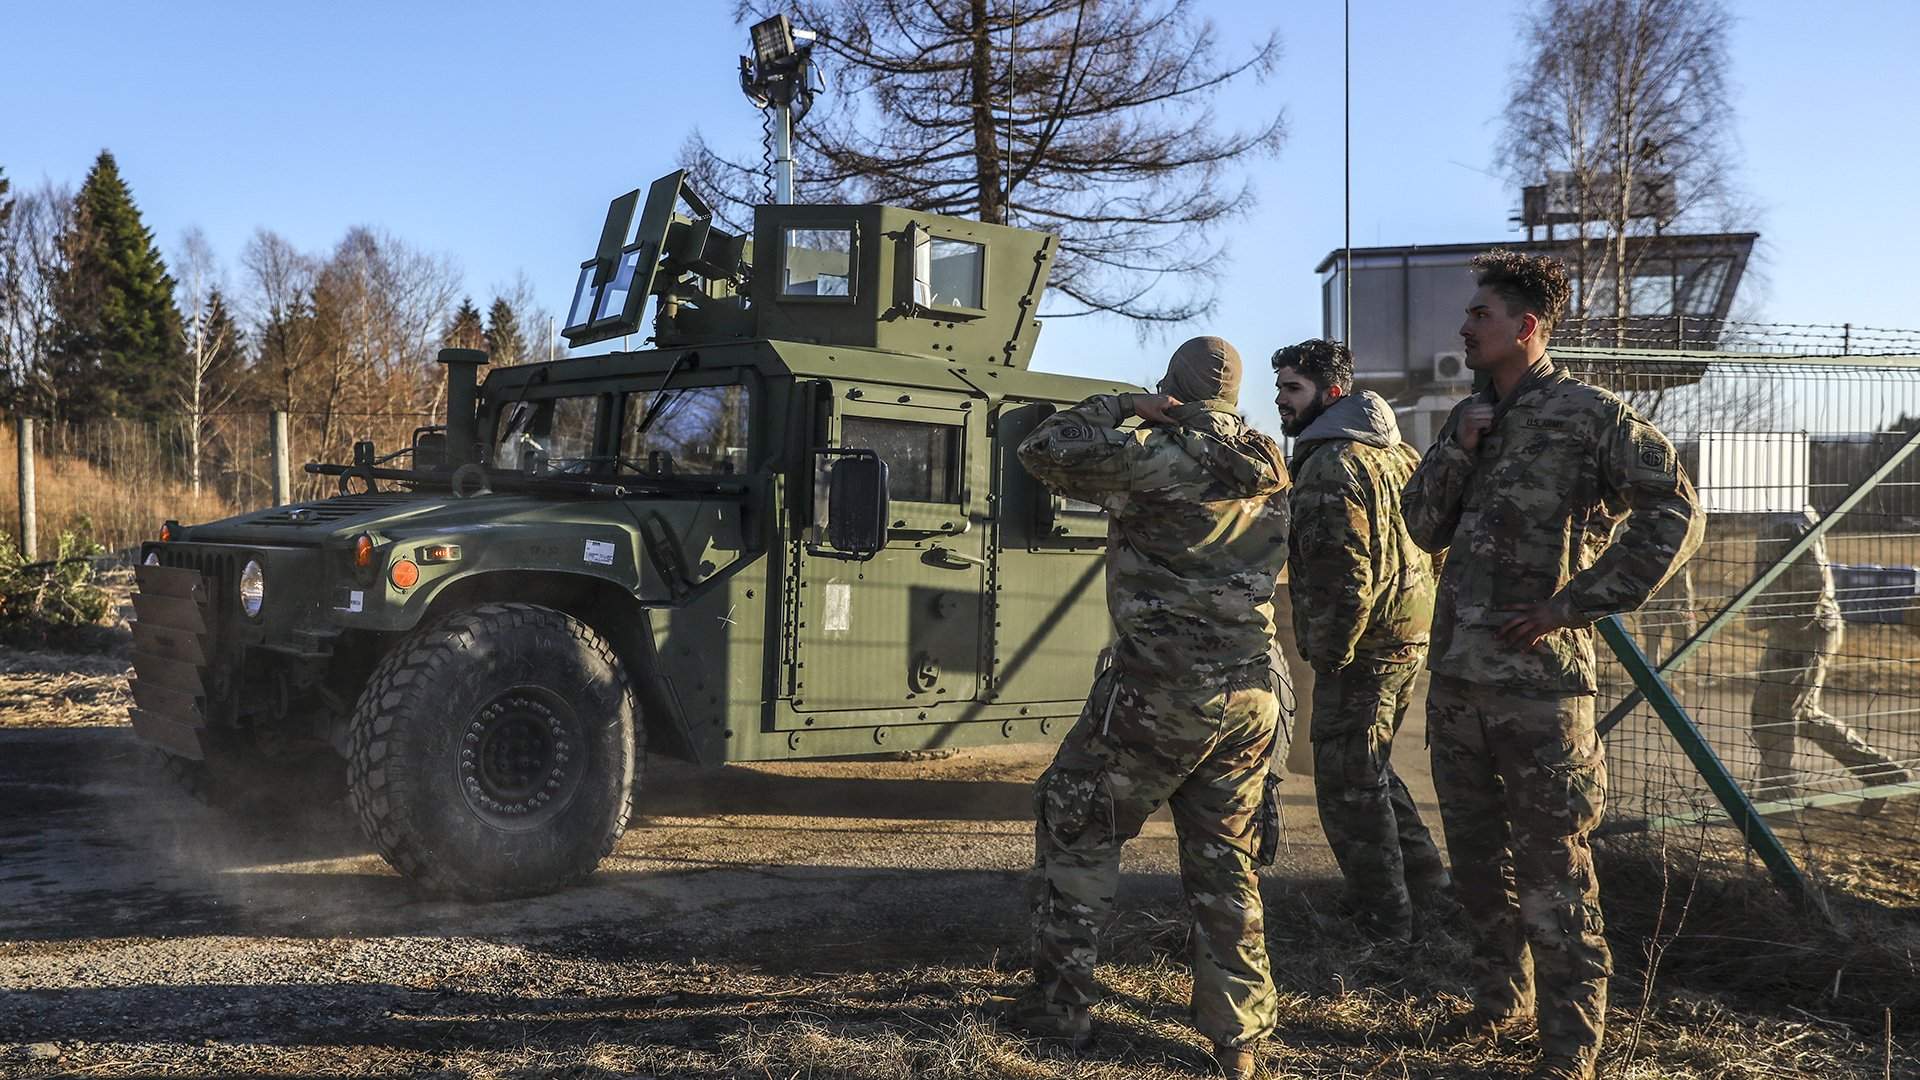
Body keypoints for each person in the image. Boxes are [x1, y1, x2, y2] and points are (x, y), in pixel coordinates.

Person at [1402, 250, 1704, 1080]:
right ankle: (1500, 1004)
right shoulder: (1467, 415)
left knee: (1555, 871)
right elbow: (1422, 528)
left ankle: (1570, 1048)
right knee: (1476, 865)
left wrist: (1576, 604)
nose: (1464, 327)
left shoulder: (1591, 415)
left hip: (1541, 694)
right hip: (1459, 685)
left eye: (1480, 316)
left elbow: (1676, 513)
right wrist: (1457, 450)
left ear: (1526, 327)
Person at [1011, 335, 1290, 1078]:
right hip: (1250, 696)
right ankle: (1239, 1041)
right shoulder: (1272, 471)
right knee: (1226, 862)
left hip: (1159, 695)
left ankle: (1061, 1009)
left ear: (1172, 390)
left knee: (1078, 830)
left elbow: (1041, 447)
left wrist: (1123, 405)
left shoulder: (1156, 458)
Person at [1271, 338, 1451, 943]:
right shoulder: (1399, 453)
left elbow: (1342, 570)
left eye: (1293, 389)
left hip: (1364, 644)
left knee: (1345, 782)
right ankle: (1428, 885)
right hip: (1406, 633)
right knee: (1367, 767)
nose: (1280, 400)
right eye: (1279, 387)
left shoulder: (1330, 462)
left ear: (1333, 393)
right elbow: (1436, 541)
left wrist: (1329, 652)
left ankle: (1383, 920)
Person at [1749, 508, 1910, 805]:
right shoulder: (1781, 514)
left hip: (1802, 630)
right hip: (1803, 627)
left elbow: (1813, 579)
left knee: (1772, 713)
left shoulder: (1787, 520)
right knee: (1802, 714)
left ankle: (1776, 803)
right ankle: (1882, 773)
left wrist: (1785, 622)